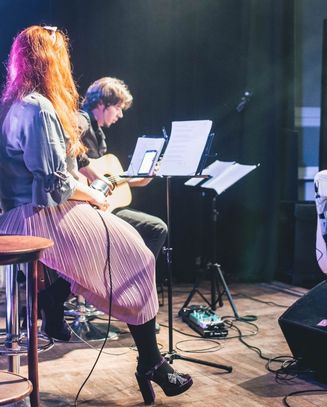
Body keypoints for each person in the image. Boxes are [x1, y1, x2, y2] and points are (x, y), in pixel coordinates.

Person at [0, 26, 192, 404]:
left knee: (131, 247)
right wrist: (94, 196)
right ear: (52, 62)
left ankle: (60, 299)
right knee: (138, 255)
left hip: (20, 215)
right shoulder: (38, 107)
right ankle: (150, 361)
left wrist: (89, 193)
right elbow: (55, 184)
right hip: (38, 216)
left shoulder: (13, 105)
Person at [77, 77, 167, 261]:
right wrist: (93, 176)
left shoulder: (99, 135)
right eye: (117, 107)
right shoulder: (81, 120)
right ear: (101, 103)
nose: (120, 115)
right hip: (83, 208)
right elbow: (68, 150)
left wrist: (143, 178)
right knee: (157, 228)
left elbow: (107, 181)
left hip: (100, 206)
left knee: (155, 227)